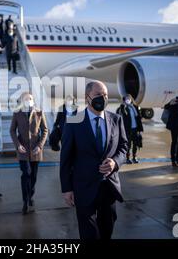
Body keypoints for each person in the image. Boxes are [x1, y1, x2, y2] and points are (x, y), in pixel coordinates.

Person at [60, 80, 128, 239]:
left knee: (107, 230)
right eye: (98, 95)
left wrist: (115, 162)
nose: (102, 98)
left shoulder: (116, 119)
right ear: (87, 97)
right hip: (84, 187)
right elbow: (66, 158)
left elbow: (123, 147)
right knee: (89, 234)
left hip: (109, 187)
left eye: (105, 95)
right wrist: (67, 188)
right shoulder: (73, 122)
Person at [10, 92, 48, 214]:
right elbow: (12, 130)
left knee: (34, 176)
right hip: (23, 151)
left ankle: (31, 194)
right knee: (26, 173)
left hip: (36, 150)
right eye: (26, 99)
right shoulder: (17, 113)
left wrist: (40, 146)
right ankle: (25, 201)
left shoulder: (39, 112)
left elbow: (45, 130)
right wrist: (18, 145)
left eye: (30, 98)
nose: (29, 100)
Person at [118, 95, 143, 164]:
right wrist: (123, 106)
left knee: (135, 144)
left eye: (129, 98)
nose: (128, 100)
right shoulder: (123, 108)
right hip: (128, 129)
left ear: (131, 99)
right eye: (126, 99)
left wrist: (140, 130)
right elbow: (123, 113)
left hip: (135, 129)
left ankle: (134, 157)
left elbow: (138, 118)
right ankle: (127, 158)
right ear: (124, 100)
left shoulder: (134, 107)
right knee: (128, 145)